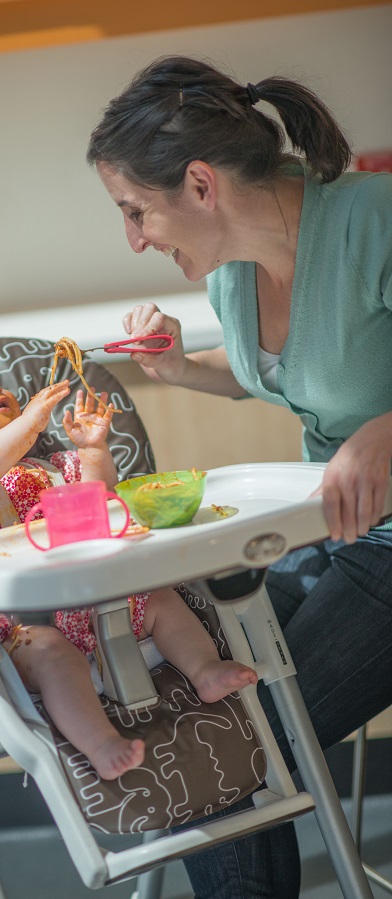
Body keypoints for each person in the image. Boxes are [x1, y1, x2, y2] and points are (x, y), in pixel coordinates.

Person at [87, 54, 392, 896]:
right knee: (198, 722)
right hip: (328, 527)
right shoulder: (228, 273)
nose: (135, 238)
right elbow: (287, 367)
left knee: (250, 745)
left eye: (135, 210)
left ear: (198, 184)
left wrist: (387, 432)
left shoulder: (375, 217)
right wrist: (184, 369)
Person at [0, 344, 258, 782]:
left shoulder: (54, 466)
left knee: (161, 598)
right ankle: (100, 742)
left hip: (104, 609)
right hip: (22, 632)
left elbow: (104, 503)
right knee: (50, 652)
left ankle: (204, 670)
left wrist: (94, 450)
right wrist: (30, 422)